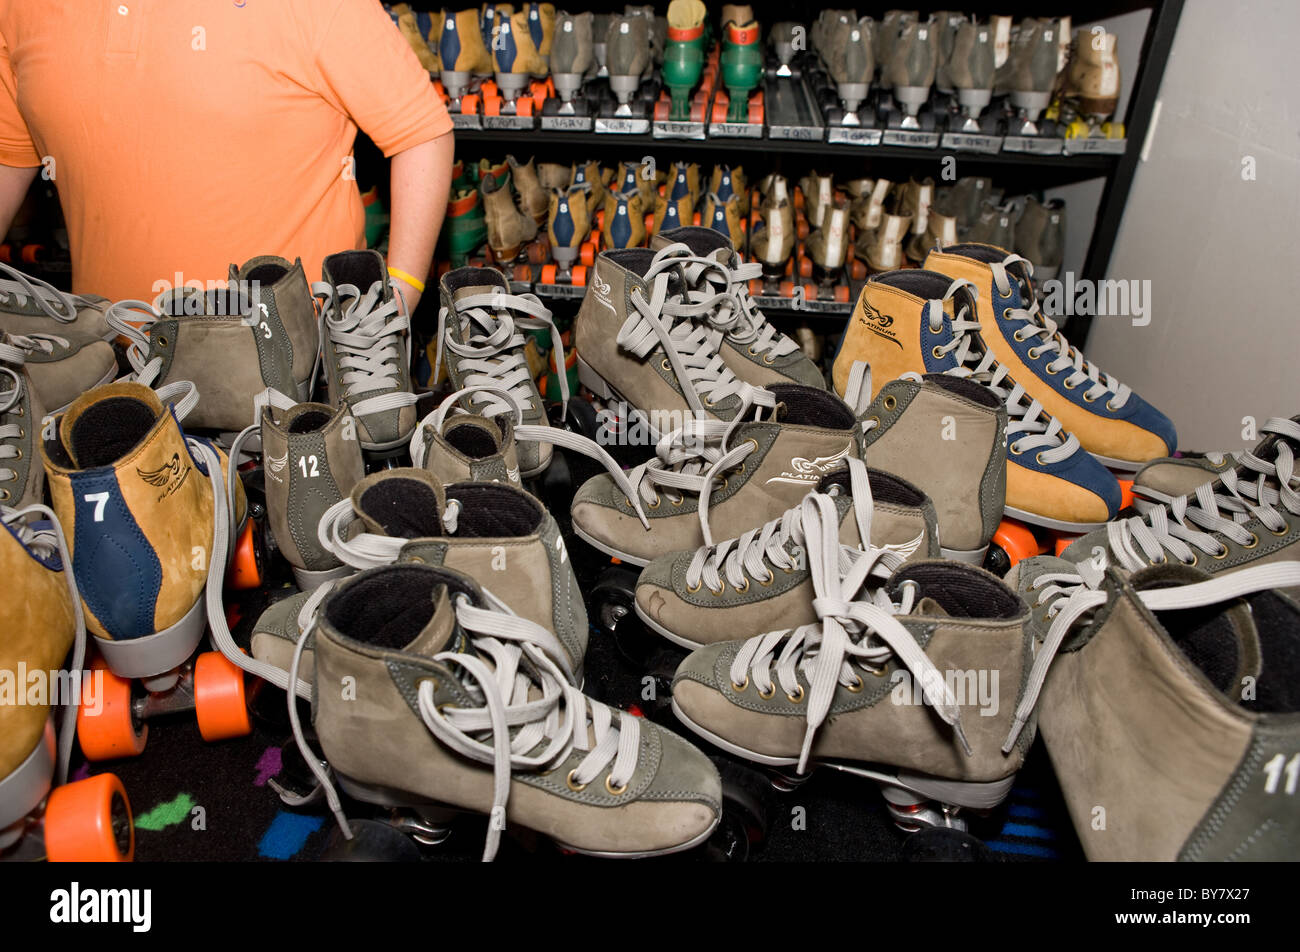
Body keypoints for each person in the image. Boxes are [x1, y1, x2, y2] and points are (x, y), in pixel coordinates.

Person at [0, 0, 453, 314]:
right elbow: (9, 158)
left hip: (296, 377)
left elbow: (420, 131)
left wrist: (400, 297)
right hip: (109, 364)